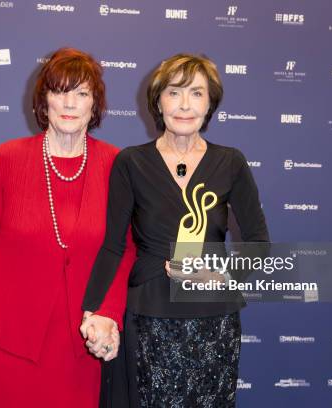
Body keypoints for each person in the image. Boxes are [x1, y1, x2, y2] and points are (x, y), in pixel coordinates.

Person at [0, 47, 135, 407]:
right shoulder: (7, 159)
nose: (70, 103)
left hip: (81, 347)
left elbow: (127, 247)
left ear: (94, 106)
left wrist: (109, 312)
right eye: (60, 90)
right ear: (43, 99)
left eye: (82, 93)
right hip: (7, 341)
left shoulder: (115, 164)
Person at [81, 54, 269, 407]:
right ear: (158, 101)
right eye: (174, 92)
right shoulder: (131, 162)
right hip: (149, 315)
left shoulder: (231, 162)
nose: (185, 105)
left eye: (197, 93)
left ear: (210, 102)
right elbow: (113, 247)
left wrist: (216, 277)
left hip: (213, 320)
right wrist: (94, 310)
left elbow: (259, 245)